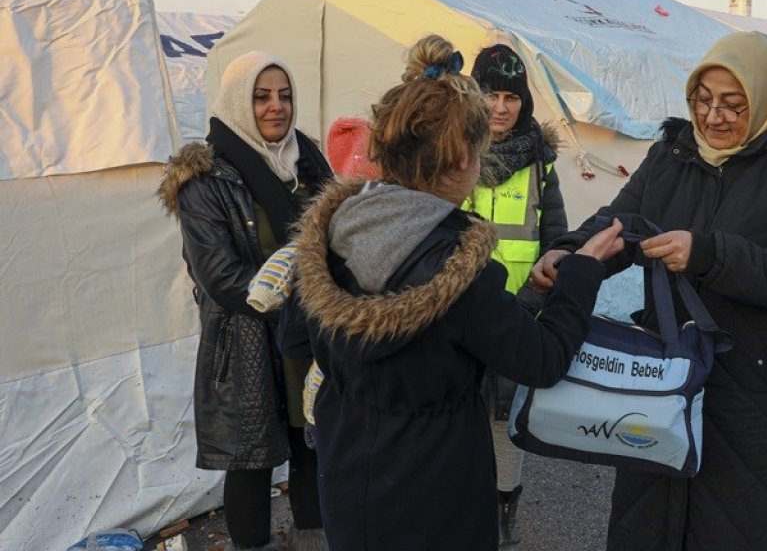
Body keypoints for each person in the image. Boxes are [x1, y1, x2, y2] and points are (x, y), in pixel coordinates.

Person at [287, 34, 625, 550]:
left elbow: (293, 339)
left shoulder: (332, 232)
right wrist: (582, 272)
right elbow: (541, 359)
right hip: (437, 495)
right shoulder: (459, 271)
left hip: (349, 481)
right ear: (465, 157)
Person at [531, 30, 767, 550]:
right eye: (703, 99)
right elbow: (619, 223)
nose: (713, 117)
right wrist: (571, 253)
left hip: (756, 393)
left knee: (742, 529)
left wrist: (709, 253)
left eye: (733, 104)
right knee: (653, 522)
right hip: (665, 377)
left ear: (765, 98)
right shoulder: (669, 157)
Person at [159, 51, 333, 550]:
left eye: (284, 95)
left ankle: (312, 540)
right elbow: (221, 277)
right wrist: (305, 299)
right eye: (261, 97)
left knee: (311, 443)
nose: (276, 106)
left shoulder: (309, 162)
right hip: (244, 338)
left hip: (306, 334)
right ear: (239, 101)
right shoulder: (204, 179)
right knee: (250, 458)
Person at [464, 43, 567, 548]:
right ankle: (467, 511)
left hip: (517, 313)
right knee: (460, 417)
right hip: (458, 313)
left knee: (505, 420)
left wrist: (535, 297)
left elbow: (556, 241)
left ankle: (504, 513)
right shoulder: (452, 152)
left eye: (511, 97)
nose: (500, 108)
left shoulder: (540, 165)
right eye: (490, 95)